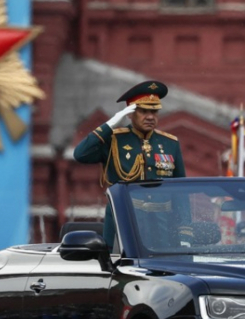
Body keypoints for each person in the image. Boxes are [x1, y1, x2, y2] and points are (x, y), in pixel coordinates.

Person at [74, 81, 187, 249]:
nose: (150, 116)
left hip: (163, 226)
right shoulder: (113, 139)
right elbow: (80, 154)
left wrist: (184, 232)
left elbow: (180, 191)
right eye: (143, 111)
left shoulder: (170, 143)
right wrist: (109, 125)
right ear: (129, 114)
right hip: (124, 221)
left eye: (154, 111)